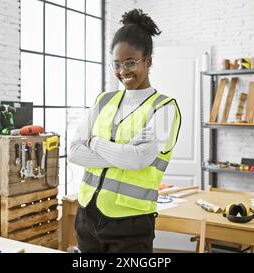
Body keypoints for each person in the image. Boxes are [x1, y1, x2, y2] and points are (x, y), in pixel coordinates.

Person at [68, 8, 181, 253]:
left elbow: (138, 160)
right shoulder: (104, 100)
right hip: (87, 215)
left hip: (131, 223)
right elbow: (74, 152)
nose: (123, 71)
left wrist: (95, 142)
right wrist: (123, 153)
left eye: (130, 62)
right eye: (117, 64)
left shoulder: (164, 109)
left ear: (148, 61)